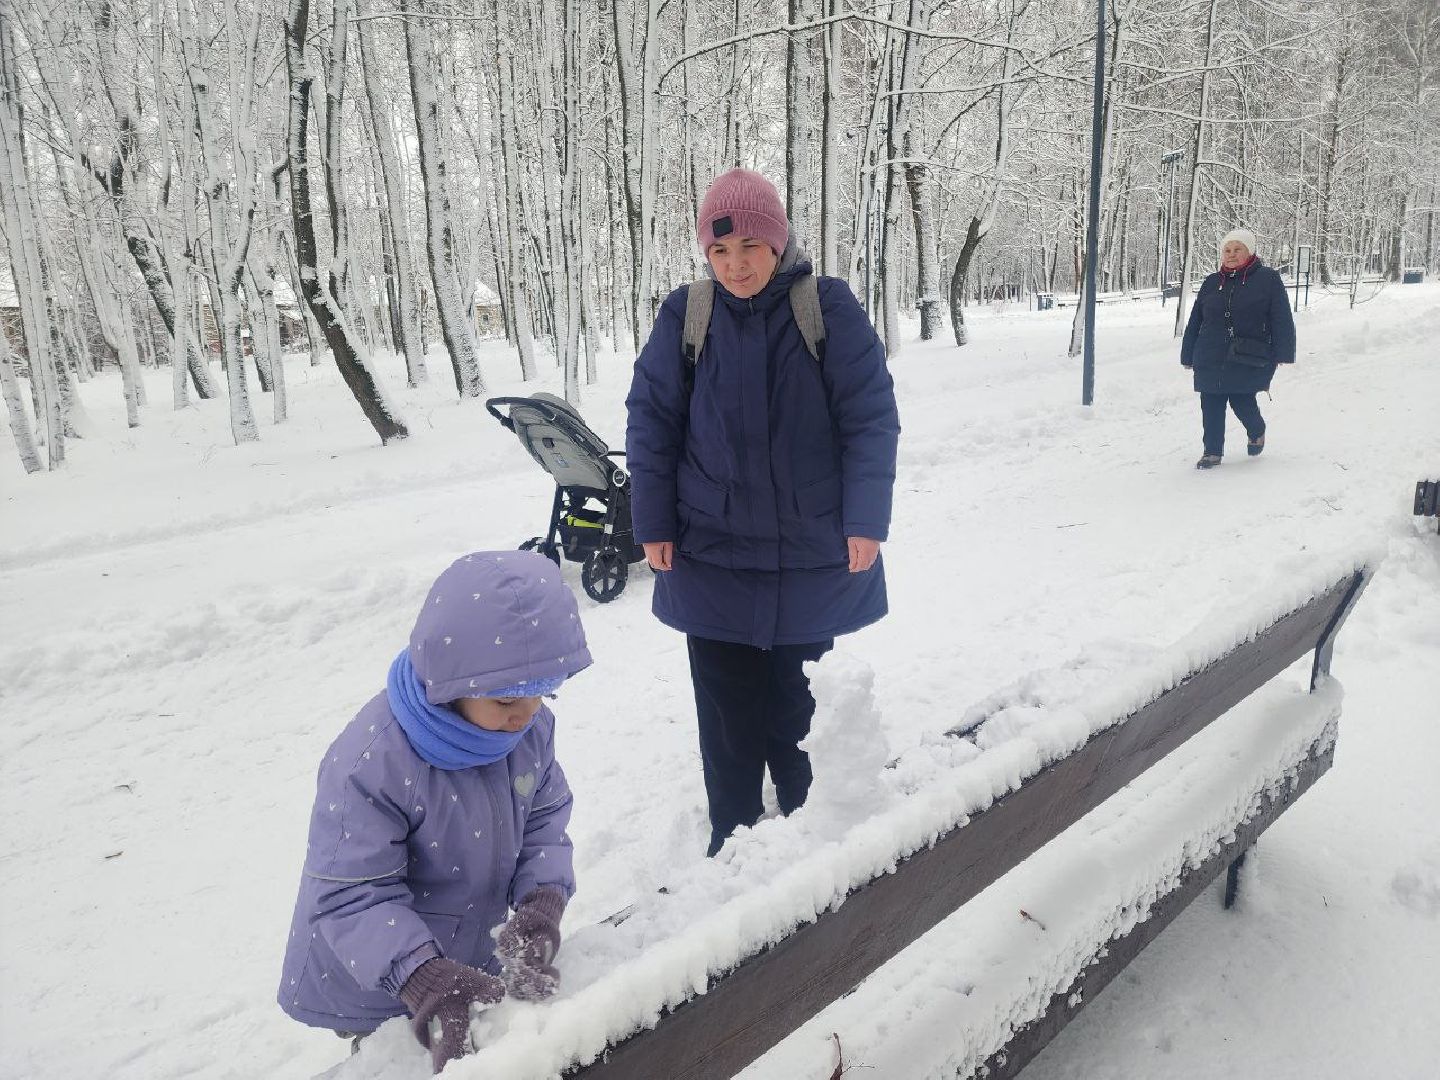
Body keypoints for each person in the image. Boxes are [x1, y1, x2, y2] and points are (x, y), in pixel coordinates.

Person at [625, 167, 900, 857]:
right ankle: (733, 841)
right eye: (719, 252)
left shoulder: (825, 308)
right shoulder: (686, 316)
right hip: (710, 555)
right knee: (726, 719)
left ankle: (810, 837)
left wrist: (865, 519)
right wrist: (652, 523)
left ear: (778, 242)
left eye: (749, 246)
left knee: (796, 710)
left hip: (807, 556)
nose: (735, 265)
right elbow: (651, 422)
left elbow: (870, 417)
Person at [276, 550, 589, 1074]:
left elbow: (544, 821)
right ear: (452, 683)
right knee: (398, 1059)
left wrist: (542, 900)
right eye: (508, 698)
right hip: (380, 974)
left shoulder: (528, 732)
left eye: (542, 693)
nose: (527, 714)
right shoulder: (372, 762)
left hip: (469, 956)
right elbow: (353, 894)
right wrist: (420, 974)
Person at [1180, 227, 1296, 469]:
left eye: (1237, 249)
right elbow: (1195, 320)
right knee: (1210, 402)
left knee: (1242, 401)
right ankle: (1212, 452)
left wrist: (1283, 351)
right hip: (1209, 353)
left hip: (1247, 354)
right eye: (1227, 250)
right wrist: (1188, 353)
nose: (1231, 254)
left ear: (1249, 251)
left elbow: (1281, 317)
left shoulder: (1267, 279)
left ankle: (1257, 430)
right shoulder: (1212, 282)